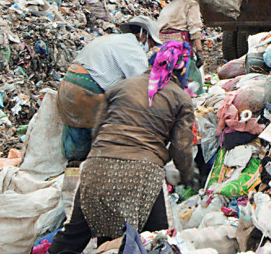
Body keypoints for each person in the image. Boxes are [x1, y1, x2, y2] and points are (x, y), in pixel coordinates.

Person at [48, 40, 198, 253]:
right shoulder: (181, 99)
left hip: (97, 166)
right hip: (143, 171)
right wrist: (187, 174)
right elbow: (181, 147)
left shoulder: (121, 86)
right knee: (156, 238)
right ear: (182, 69)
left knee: (74, 235)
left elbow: (98, 129)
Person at [57, 17, 160, 161]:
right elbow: (141, 85)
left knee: (77, 141)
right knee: (102, 143)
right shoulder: (133, 49)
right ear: (144, 35)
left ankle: (72, 175)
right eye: (151, 43)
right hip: (88, 93)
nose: (150, 47)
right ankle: (94, 176)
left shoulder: (109, 39)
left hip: (67, 88)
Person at [156, 0, 205, 90]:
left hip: (163, 47)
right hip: (181, 46)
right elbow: (194, 28)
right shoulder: (190, 4)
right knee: (192, 79)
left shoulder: (167, 8)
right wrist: (199, 51)